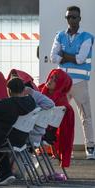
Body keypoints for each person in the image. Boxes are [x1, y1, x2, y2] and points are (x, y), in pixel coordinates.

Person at [50, 6, 95, 159]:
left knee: (85, 116)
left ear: (79, 19)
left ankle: (90, 147)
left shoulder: (87, 37)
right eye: (68, 17)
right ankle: (56, 147)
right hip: (62, 82)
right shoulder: (60, 35)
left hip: (79, 83)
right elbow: (52, 56)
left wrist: (64, 56)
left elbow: (80, 59)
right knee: (56, 114)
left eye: (74, 17)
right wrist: (70, 57)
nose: (71, 20)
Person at [39, 69, 74, 168]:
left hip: (41, 133)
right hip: (39, 131)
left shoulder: (61, 102)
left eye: (55, 80)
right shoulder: (40, 90)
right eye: (51, 77)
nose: (50, 80)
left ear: (61, 84)